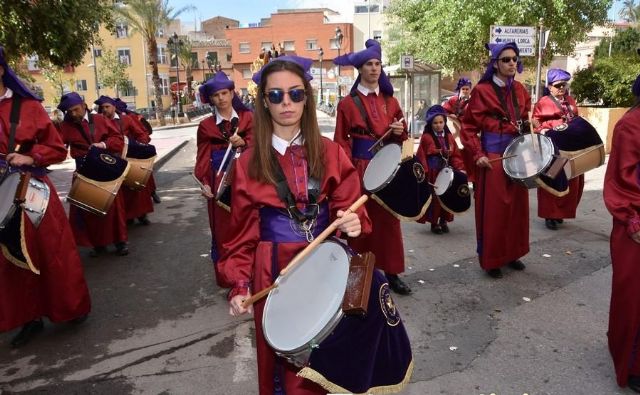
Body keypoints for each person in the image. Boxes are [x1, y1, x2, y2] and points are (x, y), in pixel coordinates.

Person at [219, 56, 412, 395]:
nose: (287, 103)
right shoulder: (248, 163)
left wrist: (353, 220)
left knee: (334, 357)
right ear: (264, 102)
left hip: (327, 265)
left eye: (295, 94)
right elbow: (239, 238)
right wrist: (239, 284)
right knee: (289, 371)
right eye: (276, 96)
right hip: (275, 272)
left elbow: (350, 208)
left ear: (306, 98)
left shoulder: (331, 151)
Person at [0, 46, 91, 347]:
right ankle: (29, 317)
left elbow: (57, 149)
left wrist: (30, 157)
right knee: (9, 259)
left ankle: (70, 306)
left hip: (33, 187)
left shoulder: (27, 107)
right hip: (1, 194)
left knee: (52, 249)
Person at [333, 39, 412, 295]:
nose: (375, 68)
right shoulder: (347, 104)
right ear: (360, 69)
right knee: (360, 224)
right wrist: (347, 173)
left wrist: (400, 131)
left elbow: (404, 136)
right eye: (369, 64)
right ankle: (358, 276)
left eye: (378, 63)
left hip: (387, 169)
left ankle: (392, 273)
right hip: (359, 169)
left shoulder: (391, 101)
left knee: (389, 223)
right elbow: (340, 142)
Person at [460, 42, 532, 279]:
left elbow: (525, 121)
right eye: (506, 60)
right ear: (495, 64)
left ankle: (513, 254)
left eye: (514, 59)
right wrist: (478, 154)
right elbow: (468, 127)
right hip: (493, 158)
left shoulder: (521, 90)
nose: (512, 63)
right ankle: (492, 260)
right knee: (495, 212)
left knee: (517, 210)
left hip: (518, 155)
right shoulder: (482, 91)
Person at [195, 71, 253, 287]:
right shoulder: (205, 126)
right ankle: (229, 278)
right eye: (216, 95)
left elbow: (259, 147)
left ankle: (251, 275)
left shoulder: (248, 118)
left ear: (232, 93)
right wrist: (205, 183)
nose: (221, 98)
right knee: (223, 231)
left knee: (247, 225)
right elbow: (203, 157)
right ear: (211, 99)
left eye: (224, 93)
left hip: (246, 179)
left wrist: (244, 143)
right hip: (218, 181)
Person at [58, 92, 129, 257]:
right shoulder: (65, 126)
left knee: (113, 207)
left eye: (75, 109)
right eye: (69, 112)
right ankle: (97, 244)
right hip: (83, 170)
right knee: (87, 210)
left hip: (105, 167)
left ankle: (121, 242)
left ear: (83, 105)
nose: (73, 114)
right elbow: (58, 148)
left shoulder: (99, 119)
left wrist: (103, 144)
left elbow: (118, 140)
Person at [604, 74, 640, 393]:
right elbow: (619, 181)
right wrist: (632, 218)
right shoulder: (630, 124)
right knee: (633, 295)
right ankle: (632, 363)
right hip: (636, 221)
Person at [532, 68, 582, 230]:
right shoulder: (544, 102)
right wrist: (545, 130)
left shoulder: (570, 100)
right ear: (550, 86)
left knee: (571, 181)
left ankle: (561, 213)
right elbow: (535, 122)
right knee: (552, 179)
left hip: (571, 146)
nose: (562, 88)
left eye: (564, 85)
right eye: (558, 85)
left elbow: (576, 118)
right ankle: (549, 215)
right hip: (553, 147)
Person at [96, 95, 154, 226]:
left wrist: (140, 146)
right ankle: (127, 217)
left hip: (129, 158)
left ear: (114, 107)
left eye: (107, 106)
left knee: (136, 188)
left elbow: (141, 133)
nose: (104, 109)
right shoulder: (100, 122)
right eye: (102, 107)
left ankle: (141, 215)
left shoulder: (126, 119)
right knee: (120, 192)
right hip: (111, 160)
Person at [416, 105, 465, 234]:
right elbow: (421, 155)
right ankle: (434, 223)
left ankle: (443, 221)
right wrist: (424, 172)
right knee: (435, 198)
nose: (438, 125)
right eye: (435, 123)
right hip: (433, 172)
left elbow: (455, 155)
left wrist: (458, 168)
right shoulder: (426, 138)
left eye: (441, 122)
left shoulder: (449, 138)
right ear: (431, 123)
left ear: (444, 122)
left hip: (447, 172)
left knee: (447, 196)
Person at [443, 77, 476, 182]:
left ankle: (472, 178)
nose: (465, 91)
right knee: (456, 154)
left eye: (467, 89)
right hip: (455, 132)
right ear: (460, 89)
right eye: (463, 89)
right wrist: (451, 117)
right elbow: (444, 110)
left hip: (468, 132)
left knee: (469, 155)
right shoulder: (453, 100)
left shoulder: (474, 101)